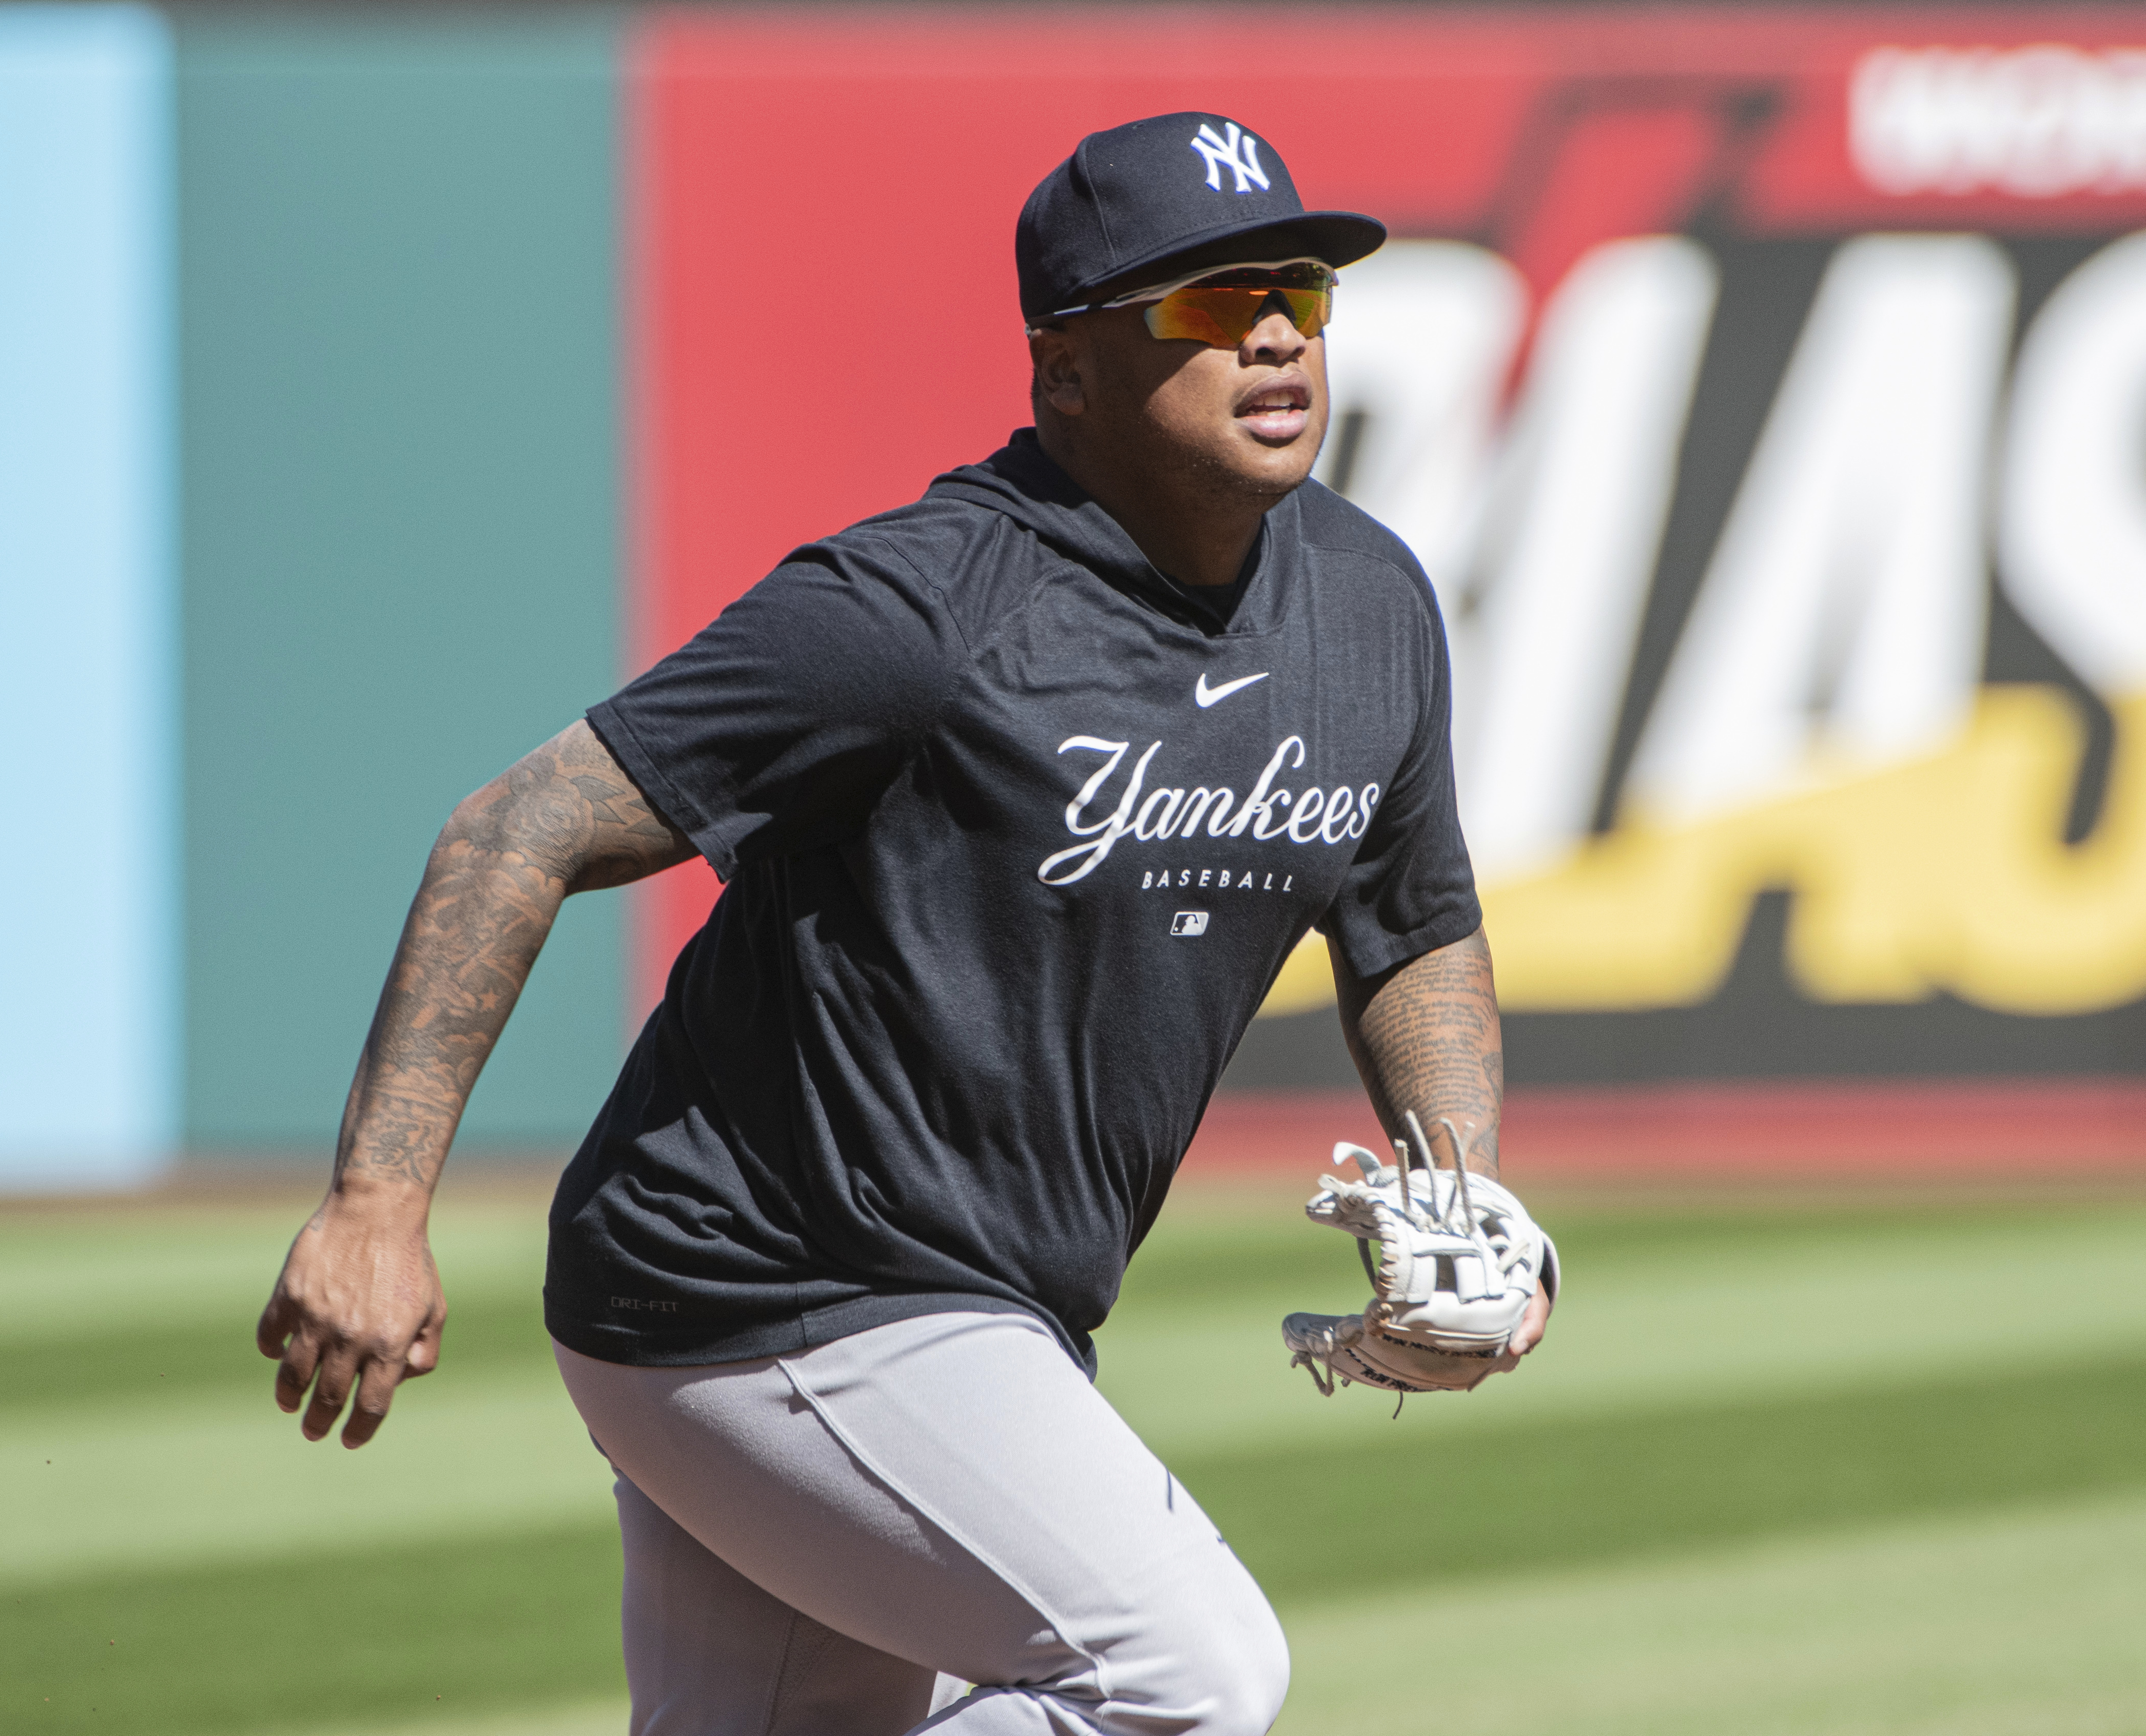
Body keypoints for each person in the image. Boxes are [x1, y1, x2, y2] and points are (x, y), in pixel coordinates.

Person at [258, 111, 1547, 1736]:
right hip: (760, 1279)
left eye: (1299, 287)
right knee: (1182, 1678)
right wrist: (375, 1203)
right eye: (1209, 304)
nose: (1278, 330)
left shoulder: (1365, 604)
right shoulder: (919, 612)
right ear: (1064, 370)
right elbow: (513, 830)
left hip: (947, 1299)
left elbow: (1411, 920)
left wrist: (1463, 1196)